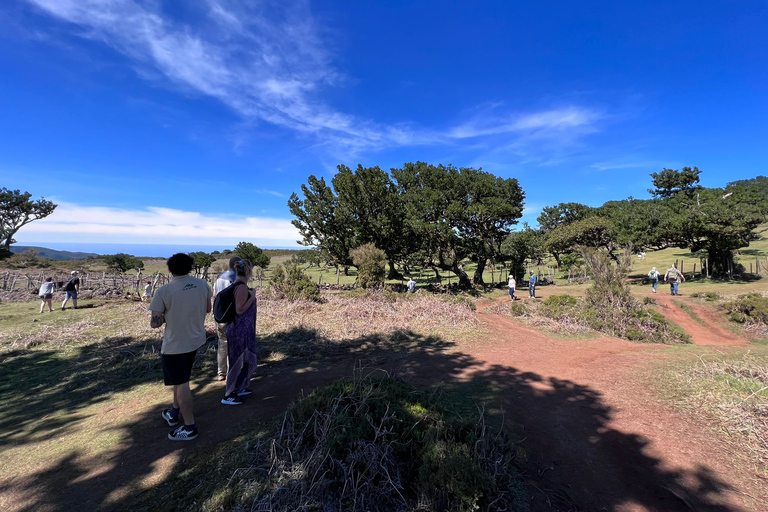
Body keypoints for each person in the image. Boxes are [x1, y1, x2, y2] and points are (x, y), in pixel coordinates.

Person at [149, 253, 212, 441]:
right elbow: (208, 309)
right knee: (180, 379)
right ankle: (174, 412)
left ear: (170, 269)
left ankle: (190, 427)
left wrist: (163, 316)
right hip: (196, 340)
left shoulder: (164, 291)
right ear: (190, 267)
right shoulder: (202, 285)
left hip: (175, 345)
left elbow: (155, 323)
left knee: (182, 382)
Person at [221, 259, 258, 406]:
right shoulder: (241, 287)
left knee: (243, 360)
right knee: (237, 360)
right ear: (248, 271)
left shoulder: (238, 285)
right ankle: (228, 394)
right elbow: (240, 309)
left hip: (242, 329)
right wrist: (253, 296)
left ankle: (239, 387)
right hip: (239, 330)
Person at [213, 256, 242, 381]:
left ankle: (221, 372)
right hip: (232, 315)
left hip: (219, 315)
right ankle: (233, 371)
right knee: (234, 344)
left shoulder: (220, 276)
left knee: (222, 343)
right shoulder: (236, 278)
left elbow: (214, 295)